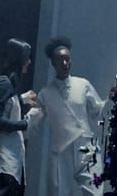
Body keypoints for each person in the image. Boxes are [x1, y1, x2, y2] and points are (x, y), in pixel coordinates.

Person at [29, 36, 104, 196]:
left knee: (95, 190)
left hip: (86, 147)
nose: (65, 63)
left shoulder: (83, 84)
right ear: (53, 63)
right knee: (57, 191)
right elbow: (32, 122)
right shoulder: (45, 94)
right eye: (60, 60)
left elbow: (98, 111)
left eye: (67, 59)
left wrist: (111, 100)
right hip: (60, 150)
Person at [0, 38, 38, 195]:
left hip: (5, 164)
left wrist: (21, 100)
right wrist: (25, 124)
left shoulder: (5, 83)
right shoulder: (4, 83)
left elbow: (4, 108)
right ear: (19, 59)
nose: (29, 62)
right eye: (27, 57)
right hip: (2, 164)